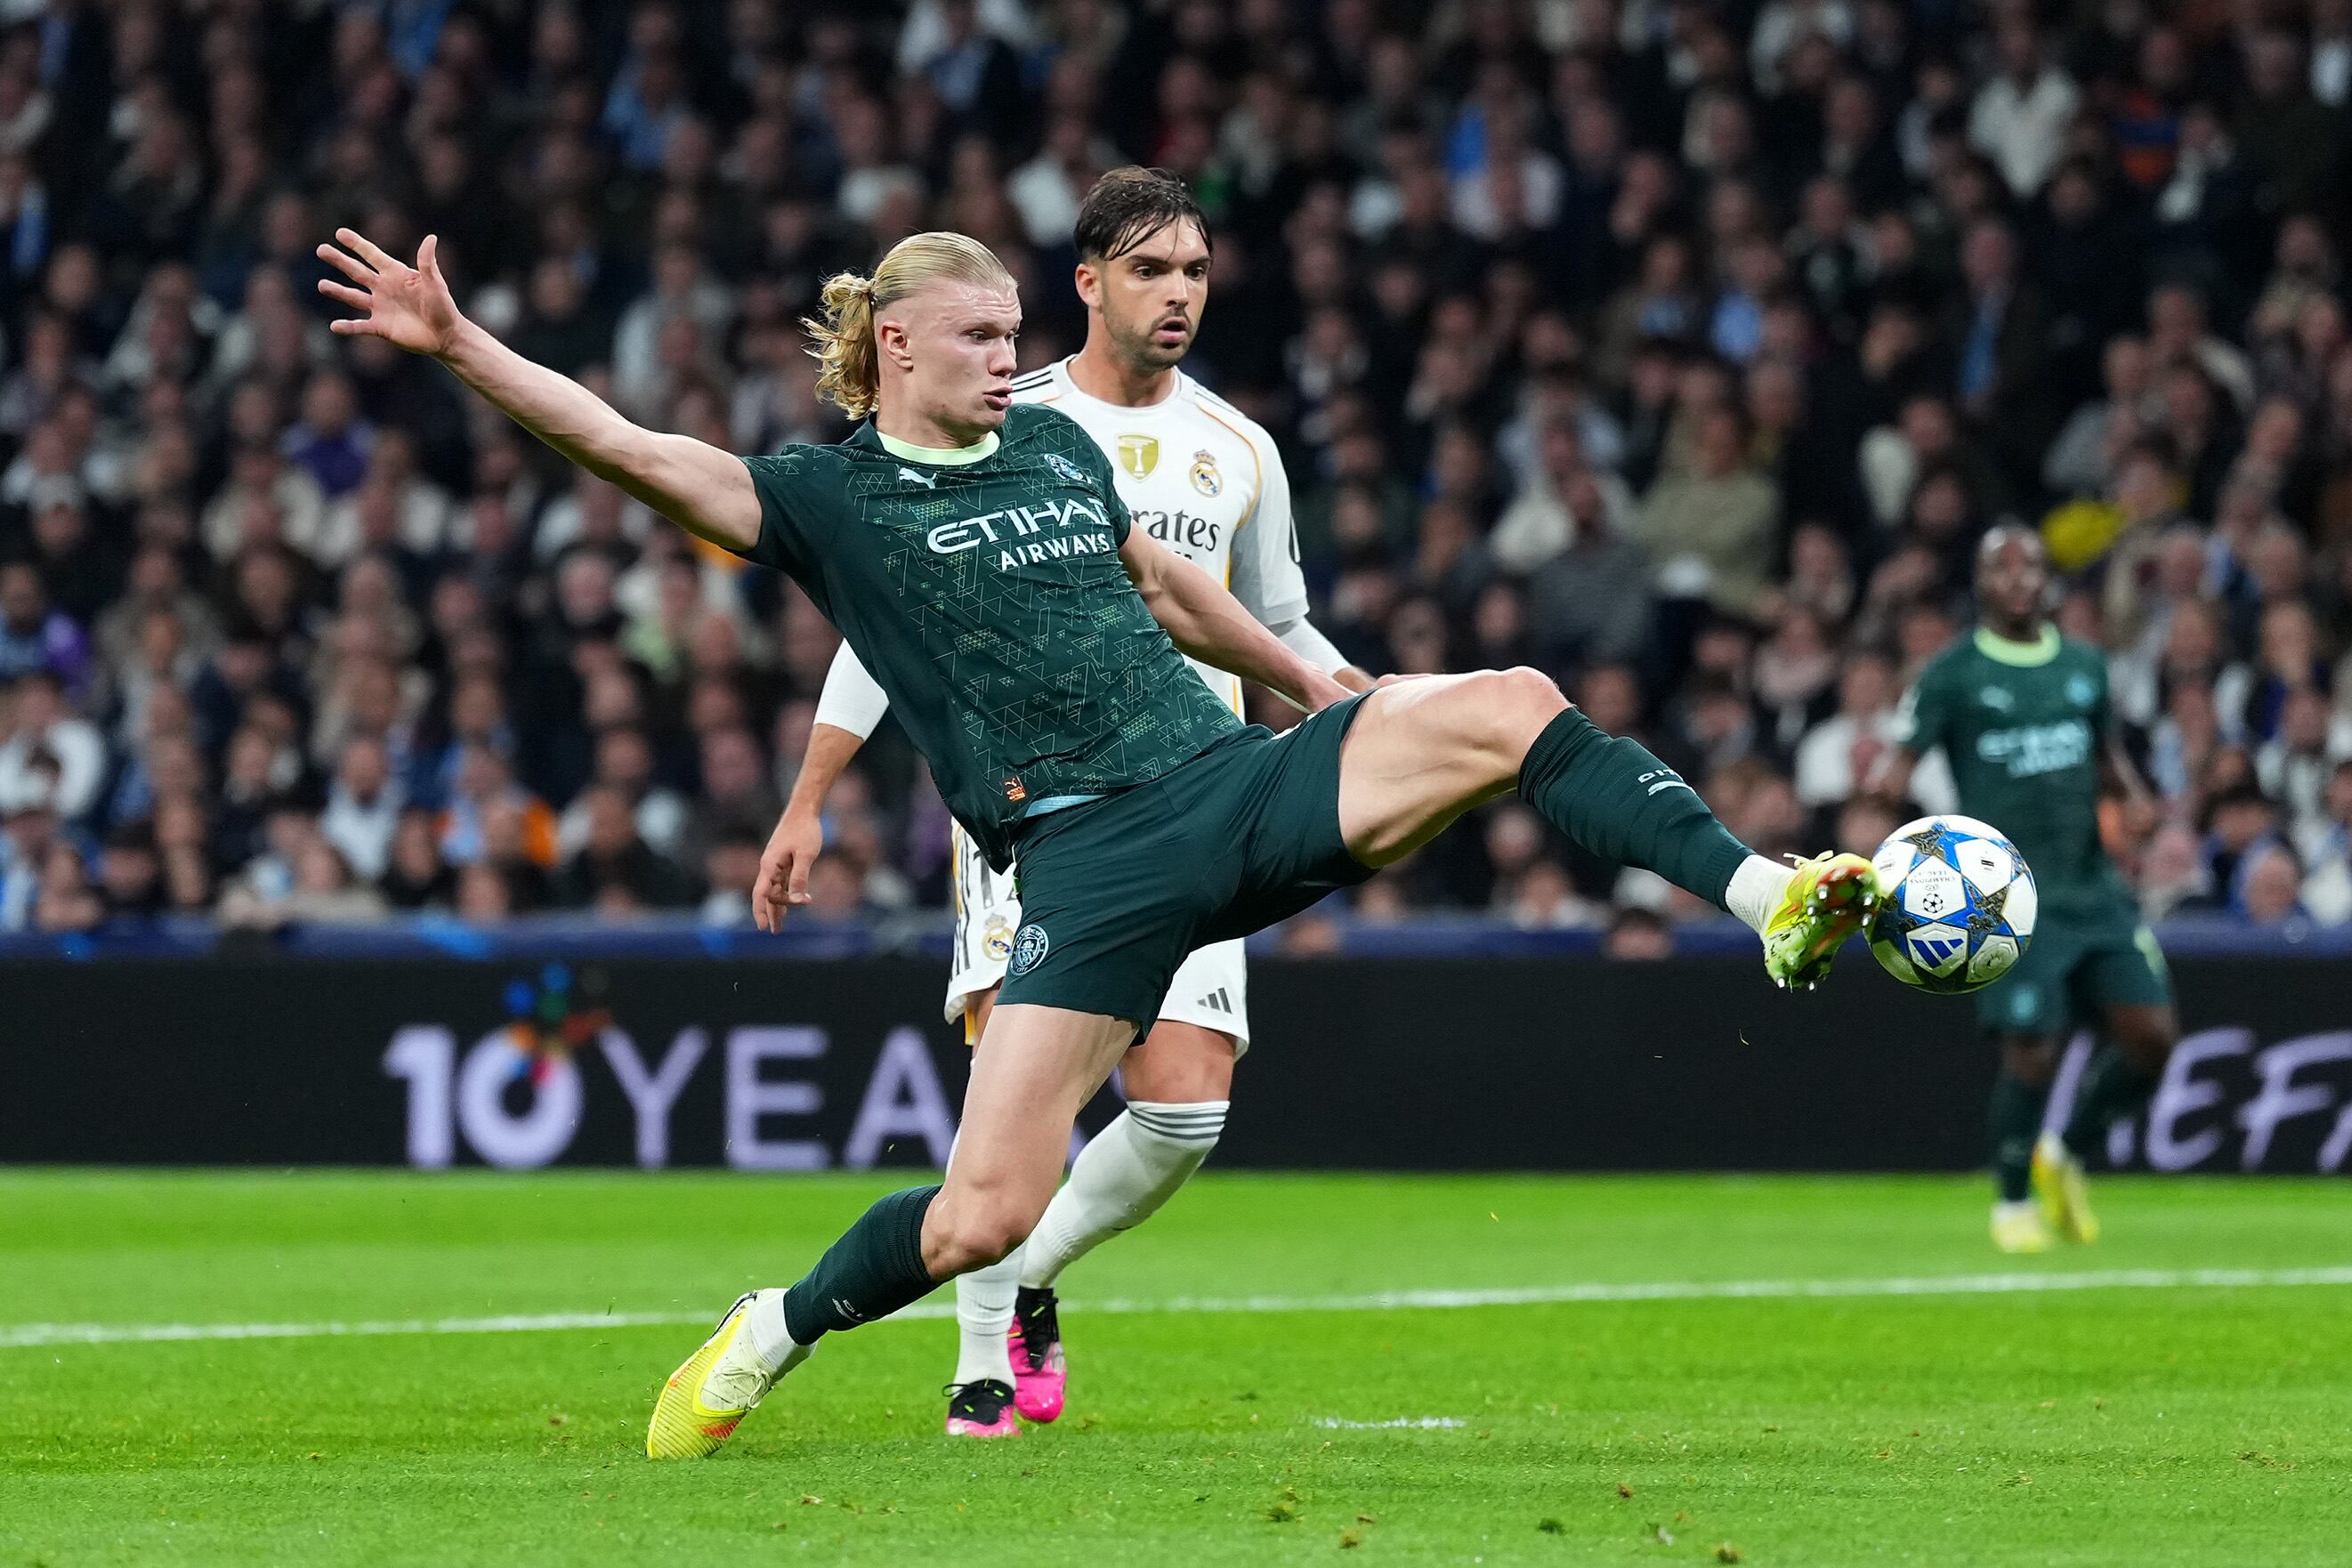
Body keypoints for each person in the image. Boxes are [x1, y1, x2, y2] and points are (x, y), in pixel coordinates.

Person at [314, 218, 1881, 1465]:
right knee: (978, 1216)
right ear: (895, 343)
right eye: (985, 337)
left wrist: (1329, 690)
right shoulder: (827, 498)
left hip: (1229, 784)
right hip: (1082, 867)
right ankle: (771, 1328)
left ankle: (1766, 893)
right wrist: (459, 346)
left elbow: (1173, 591)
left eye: (1016, 333)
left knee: (1507, 701)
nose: (1013, 361)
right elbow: (629, 447)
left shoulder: (1059, 450)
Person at [780, 170, 1372, 1439]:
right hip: (1031, 802)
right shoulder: (1001, 414)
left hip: (1196, 792)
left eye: (1197, 273)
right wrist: (810, 795)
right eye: (1152, 271)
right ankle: (980, 1359)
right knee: (1018, 1099)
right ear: (1087, 281)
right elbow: (875, 622)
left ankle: (1031, 1271)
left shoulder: (1239, 449)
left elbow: (1267, 621)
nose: (1179, 296)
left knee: (1182, 1108)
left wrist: (1337, 698)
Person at [1887, 526, 2178, 1254]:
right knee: (2031, 1051)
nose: (2017, 578)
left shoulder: (2083, 665)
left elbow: (2106, 756)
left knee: (2151, 1039)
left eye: (2030, 566)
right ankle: (2010, 1203)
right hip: (2004, 900)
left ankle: (2066, 1150)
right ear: (1980, 582)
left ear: (2048, 579)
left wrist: (2135, 802)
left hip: (2093, 888)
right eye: (2000, 567)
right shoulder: (1951, 672)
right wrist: (1908, 862)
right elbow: (1894, 770)